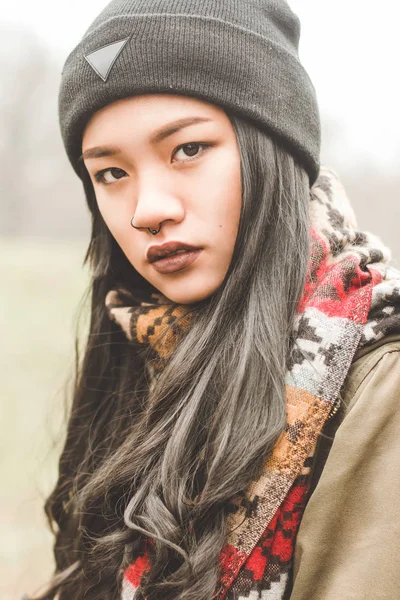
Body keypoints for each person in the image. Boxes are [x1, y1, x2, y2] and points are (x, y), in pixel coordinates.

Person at [25, 1, 400, 599]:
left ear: (274, 151)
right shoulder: (142, 356)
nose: (148, 210)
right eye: (110, 174)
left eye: (188, 150)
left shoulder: (380, 382)